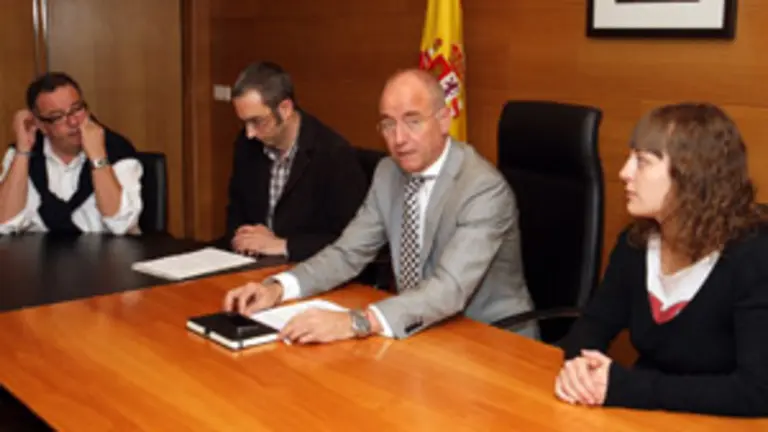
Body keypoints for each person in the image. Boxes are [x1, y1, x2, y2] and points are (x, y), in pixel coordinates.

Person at [223, 69, 536, 343]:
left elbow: (449, 290)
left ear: (444, 121)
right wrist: (277, 288)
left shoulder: (482, 189)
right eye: (388, 125)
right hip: (418, 329)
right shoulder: (389, 173)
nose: (399, 138)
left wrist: (357, 321)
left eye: (413, 121)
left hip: (489, 340)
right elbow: (348, 252)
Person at [555, 103, 768, 417]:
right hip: (647, 415)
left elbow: (756, 392)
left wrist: (627, 387)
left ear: (692, 176)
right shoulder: (635, 244)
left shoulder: (753, 256)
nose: (624, 173)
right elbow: (593, 325)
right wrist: (580, 368)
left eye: (642, 161)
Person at [222, 61, 367, 261]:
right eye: (245, 122)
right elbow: (236, 210)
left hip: (309, 269)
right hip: (253, 265)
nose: (249, 133)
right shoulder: (247, 145)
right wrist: (242, 238)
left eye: (257, 121)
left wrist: (282, 245)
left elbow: (351, 240)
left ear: (285, 109)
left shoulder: (333, 154)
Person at [0, 72, 143, 235]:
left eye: (77, 109)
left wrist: (98, 158)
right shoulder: (21, 155)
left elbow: (121, 225)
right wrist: (23, 151)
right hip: (39, 256)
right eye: (58, 116)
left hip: (105, 256)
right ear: (40, 125)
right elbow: (3, 224)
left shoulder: (117, 150)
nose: (73, 122)